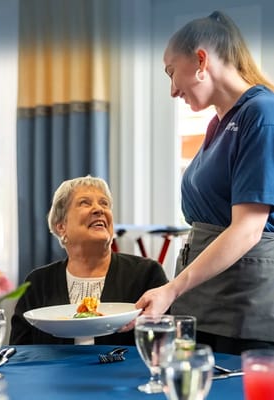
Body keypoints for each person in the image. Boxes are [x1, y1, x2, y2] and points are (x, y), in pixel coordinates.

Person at [135, 10, 274, 355]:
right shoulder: (218, 125)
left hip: (243, 304)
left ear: (201, 59)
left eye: (171, 72)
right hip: (207, 301)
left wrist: (173, 288)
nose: (171, 90)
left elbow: (247, 230)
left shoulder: (262, 114)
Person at [10, 175, 167, 346]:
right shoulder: (38, 282)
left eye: (104, 203)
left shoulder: (146, 274)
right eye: (85, 202)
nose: (99, 209)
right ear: (61, 226)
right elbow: (19, 353)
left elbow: (163, 344)